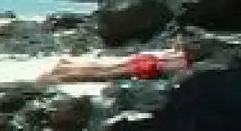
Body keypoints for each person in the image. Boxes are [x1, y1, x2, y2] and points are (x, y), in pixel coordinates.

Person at [39, 48, 186, 85]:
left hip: (154, 60)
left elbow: (177, 54)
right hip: (151, 67)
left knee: (104, 69)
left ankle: (65, 67)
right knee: (102, 74)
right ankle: (58, 75)